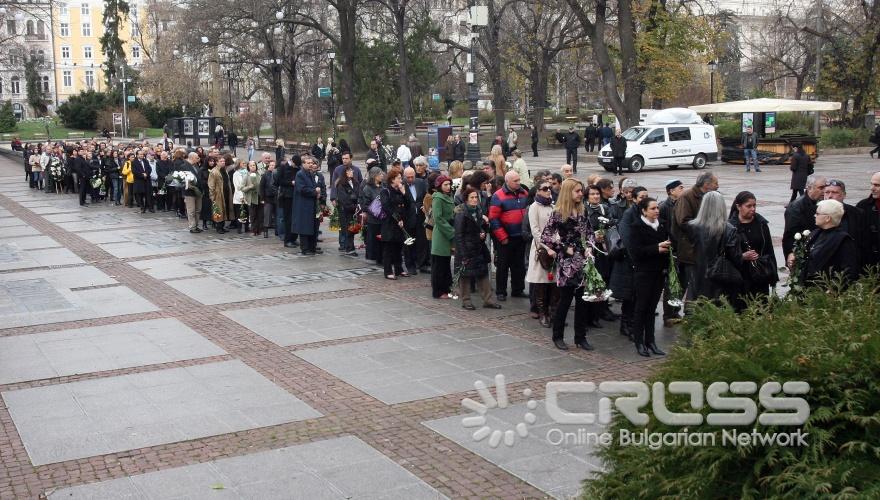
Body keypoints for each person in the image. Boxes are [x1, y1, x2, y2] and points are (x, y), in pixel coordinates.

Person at [540, 179, 594, 351]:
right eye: (577, 191)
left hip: (583, 261)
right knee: (565, 301)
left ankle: (581, 337)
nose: (580, 194)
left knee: (583, 301)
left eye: (581, 191)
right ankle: (558, 336)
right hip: (567, 264)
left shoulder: (582, 211)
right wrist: (563, 247)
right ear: (568, 192)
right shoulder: (558, 213)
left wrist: (590, 249)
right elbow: (546, 237)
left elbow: (590, 233)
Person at [627, 197, 671, 356]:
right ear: (644, 211)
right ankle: (639, 342)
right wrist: (656, 248)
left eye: (657, 208)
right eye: (653, 208)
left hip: (659, 272)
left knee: (652, 308)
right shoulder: (636, 227)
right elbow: (636, 252)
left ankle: (650, 341)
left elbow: (670, 243)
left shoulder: (663, 225)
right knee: (641, 307)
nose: (657, 211)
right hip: (643, 273)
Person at [671, 172, 719, 300]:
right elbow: (683, 222)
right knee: (690, 286)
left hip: (704, 250)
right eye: (716, 183)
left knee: (701, 286)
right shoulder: (687, 197)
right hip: (690, 250)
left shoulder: (711, 196)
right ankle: (676, 315)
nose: (718, 186)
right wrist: (704, 231)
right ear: (707, 184)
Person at [688, 191, 742, 303]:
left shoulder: (693, 227)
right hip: (720, 277)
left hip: (697, 276)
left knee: (698, 310)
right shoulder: (729, 229)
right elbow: (736, 258)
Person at [454, 187, 502, 310]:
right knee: (465, 275)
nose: (475, 200)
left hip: (478, 247)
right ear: (466, 199)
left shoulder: (479, 210)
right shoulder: (461, 213)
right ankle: (466, 301)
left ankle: (488, 300)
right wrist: (463, 253)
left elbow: (480, 227)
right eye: (472, 198)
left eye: (476, 197)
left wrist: (482, 232)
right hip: (466, 248)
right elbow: (459, 235)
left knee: (483, 273)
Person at [728, 191, 777, 311]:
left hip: (759, 274)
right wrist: (742, 256)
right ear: (738, 206)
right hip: (740, 276)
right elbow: (726, 253)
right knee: (741, 309)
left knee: (760, 308)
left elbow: (769, 250)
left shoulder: (761, 224)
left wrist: (773, 276)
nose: (753, 209)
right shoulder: (730, 226)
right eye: (748, 206)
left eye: (754, 205)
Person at [489, 171, 530, 301]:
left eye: (519, 180)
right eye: (515, 181)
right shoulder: (498, 196)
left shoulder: (524, 193)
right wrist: (502, 236)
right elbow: (493, 219)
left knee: (519, 265)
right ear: (507, 181)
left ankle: (518, 289)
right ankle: (501, 291)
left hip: (521, 236)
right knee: (503, 265)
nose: (518, 183)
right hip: (506, 237)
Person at [799, 199, 860, 286]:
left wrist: (833, 289)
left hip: (825, 290)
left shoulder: (843, 239)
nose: (814, 215)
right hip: (808, 288)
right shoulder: (815, 233)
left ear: (827, 218)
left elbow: (848, 271)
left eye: (817, 213)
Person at [526, 179, 557, 327]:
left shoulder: (553, 206)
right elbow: (535, 231)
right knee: (541, 283)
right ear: (537, 191)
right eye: (544, 188)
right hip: (541, 249)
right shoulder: (534, 207)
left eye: (549, 188)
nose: (548, 190)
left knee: (553, 284)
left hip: (555, 249)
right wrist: (547, 247)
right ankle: (542, 313)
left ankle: (553, 312)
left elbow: (558, 227)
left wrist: (557, 244)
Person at [823, 179, 868, 266]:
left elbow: (864, 241)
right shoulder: (814, 213)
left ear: (844, 195)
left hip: (850, 263)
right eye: (827, 192)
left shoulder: (857, 213)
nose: (830, 196)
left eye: (834, 192)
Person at [783, 175, 827, 267]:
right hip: (804, 254)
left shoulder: (824, 203)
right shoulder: (796, 208)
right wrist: (791, 253)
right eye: (821, 188)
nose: (824, 191)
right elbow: (790, 235)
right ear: (810, 188)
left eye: (826, 187)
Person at [658, 179, 684, 325]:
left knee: (679, 283)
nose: (683, 190)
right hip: (669, 250)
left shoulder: (681, 204)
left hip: (680, 249)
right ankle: (668, 315)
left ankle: (675, 311)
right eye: (680, 188)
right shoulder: (664, 206)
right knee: (670, 282)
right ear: (671, 191)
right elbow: (661, 229)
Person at [380, 169, 412, 279]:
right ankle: (388, 271)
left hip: (401, 224)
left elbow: (408, 204)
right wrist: (398, 219)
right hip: (390, 224)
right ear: (392, 179)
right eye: (398, 178)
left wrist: (404, 192)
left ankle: (399, 269)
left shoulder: (400, 190)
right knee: (389, 248)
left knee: (399, 247)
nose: (401, 180)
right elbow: (387, 207)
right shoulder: (385, 191)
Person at [292, 155, 323, 255]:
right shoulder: (300, 174)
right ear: (303, 164)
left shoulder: (310, 174)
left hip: (311, 205)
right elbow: (302, 189)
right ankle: (305, 249)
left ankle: (312, 247)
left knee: (312, 227)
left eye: (311, 163)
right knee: (304, 227)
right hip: (303, 205)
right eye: (308, 163)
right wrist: (315, 191)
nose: (311, 165)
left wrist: (318, 192)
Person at [431, 175, 456, 298]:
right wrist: (452, 232)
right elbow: (438, 218)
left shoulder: (449, 197)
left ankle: (446, 288)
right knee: (439, 264)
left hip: (448, 232)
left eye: (449, 184)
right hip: (441, 234)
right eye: (445, 185)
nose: (448, 187)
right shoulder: (438, 198)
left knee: (446, 264)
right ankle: (438, 291)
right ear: (440, 186)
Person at [403, 166, 429, 273]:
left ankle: (422, 264)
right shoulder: (402, 186)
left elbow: (425, 196)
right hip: (408, 219)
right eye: (408, 177)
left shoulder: (421, 182)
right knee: (409, 243)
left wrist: (425, 206)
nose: (410, 179)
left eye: (412, 177)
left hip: (420, 218)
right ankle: (410, 266)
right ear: (404, 177)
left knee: (422, 242)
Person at [360, 167, 386, 265]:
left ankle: (382, 257)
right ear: (374, 176)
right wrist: (375, 209)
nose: (382, 176)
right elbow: (365, 205)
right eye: (380, 174)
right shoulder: (367, 188)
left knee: (382, 238)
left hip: (383, 218)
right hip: (374, 218)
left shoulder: (383, 186)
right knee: (374, 238)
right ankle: (375, 256)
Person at [855, 171, 880, 269]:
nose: (872, 188)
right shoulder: (863, 206)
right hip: (869, 265)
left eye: (877, 185)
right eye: (872, 184)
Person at [335, 165, 359, 255]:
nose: (351, 172)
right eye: (348, 171)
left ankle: (350, 246)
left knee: (352, 229)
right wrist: (353, 205)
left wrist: (357, 205)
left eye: (351, 171)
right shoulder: (341, 184)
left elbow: (358, 194)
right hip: (346, 210)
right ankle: (349, 248)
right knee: (347, 229)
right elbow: (343, 199)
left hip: (354, 210)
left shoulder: (355, 182)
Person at [275, 155, 297, 247]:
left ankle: (293, 238)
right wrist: (290, 183)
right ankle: (287, 240)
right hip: (286, 196)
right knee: (287, 219)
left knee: (293, 219)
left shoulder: (297, 168)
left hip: (294, 196)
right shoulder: (283, 168)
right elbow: (277, 182)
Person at [181, 152, 203, 233]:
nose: (198, 159)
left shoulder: (196, 166)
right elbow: (183, 180)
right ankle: (192, 227)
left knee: (198, 210)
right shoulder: (184, 166)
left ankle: (196, 225)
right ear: (192, 158)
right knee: (191, 211)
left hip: (198, 191)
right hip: (189, 192)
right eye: (197, 157)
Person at [208, 156, 229, 233]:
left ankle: (222, 226)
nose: (223, 162)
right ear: (217, 162)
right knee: (218, 210)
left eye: (223, 161)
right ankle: (218, 227)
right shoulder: (214, 171)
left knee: (223, 210)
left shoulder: (224, 170)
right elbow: (211, 185)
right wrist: (212, 196)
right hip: (218, 194)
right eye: (221, 161)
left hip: (225, 193)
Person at [241, 161, 262, 235]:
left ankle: (258, 230)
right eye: (251, 165)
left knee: (259, 214)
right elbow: (241, 188)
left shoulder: (259, 175)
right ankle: (253, 230)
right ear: (248, 167)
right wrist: (249, 187)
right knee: (253, 215)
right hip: (251, 198)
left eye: (254, 165)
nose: (253, 166)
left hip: (259, 197)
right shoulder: (246, 176)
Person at [259, 160, 278, 238]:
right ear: (268, 166)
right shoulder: (265, 175)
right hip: (268, 198)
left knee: (277, 215)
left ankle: (277, 230)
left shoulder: (277, 174)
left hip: (276, 197)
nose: (272, 166)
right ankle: (265, 230)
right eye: (271, 165)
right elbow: (261, 187)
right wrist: (262, 198)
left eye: (274, 165)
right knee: (267, 215)